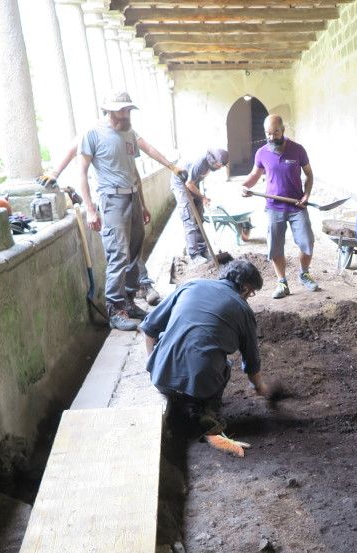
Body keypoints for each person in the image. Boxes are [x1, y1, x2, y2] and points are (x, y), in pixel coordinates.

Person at [141, 259, 271, 458]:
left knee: (168, 340)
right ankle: (209, 416)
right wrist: (260, 387)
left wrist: (153, 363)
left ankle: (181, 403)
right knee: (224, 365)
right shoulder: (243, 310)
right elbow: (251, 363)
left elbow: (148, 328)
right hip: (201, 386)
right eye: (251, 293)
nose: (249, 297)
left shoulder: (191, 285)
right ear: (245, 288)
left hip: (160, 378)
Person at [78, 91, 183, 330]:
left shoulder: (129, 133)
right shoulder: (93, 133)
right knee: (118, 254)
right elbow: (82, 172)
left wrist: (144, 202)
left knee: (135, 251)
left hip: (133, 197)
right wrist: (91, 210)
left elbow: (136, 166)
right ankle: (115, 310)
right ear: (109, 110)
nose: (126, 114)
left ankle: (129, 300)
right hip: (111, 199)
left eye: (128, 110)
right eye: (122, 110)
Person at [240, 115, 320, 299]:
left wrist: (306, 195)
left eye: (275, 132)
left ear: (283, 130)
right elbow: (255, 174)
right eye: (268, 133)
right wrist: (245, 186)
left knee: (307, 242)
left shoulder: (298, 150)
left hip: (297, 206)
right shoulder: (262, 153)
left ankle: (304, 273)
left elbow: (309, 175)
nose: (272, 137)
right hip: (274, 207)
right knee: (275, 247)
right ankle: (282, 283)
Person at [172, 147, 229, 262]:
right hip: (181, 184)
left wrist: (202, 197)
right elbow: (189, 184)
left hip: (192, 183)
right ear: (213, 160)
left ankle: (203, 250)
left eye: (222, 165)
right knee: (190, 219)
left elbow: (195, 181)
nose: (220, 167)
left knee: (200, 218)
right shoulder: (201, 163)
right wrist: (202, 197)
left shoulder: (209, 165)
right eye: (220, 165)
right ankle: (194, 255)